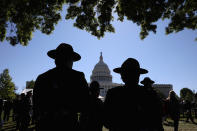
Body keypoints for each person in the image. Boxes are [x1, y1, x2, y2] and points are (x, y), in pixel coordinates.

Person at [33, 43, 90, 131]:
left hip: (46, 125)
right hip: (70, 125)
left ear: (55, 60)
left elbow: (36, 106)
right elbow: (86, 104)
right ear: (70, 60)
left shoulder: (42, 78)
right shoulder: (78, 77)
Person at [104, 58, 162, 131]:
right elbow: (157, 121)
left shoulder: (113, 93)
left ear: (122, 76)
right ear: (138, 76)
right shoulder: (149, 94)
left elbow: (106, 121)